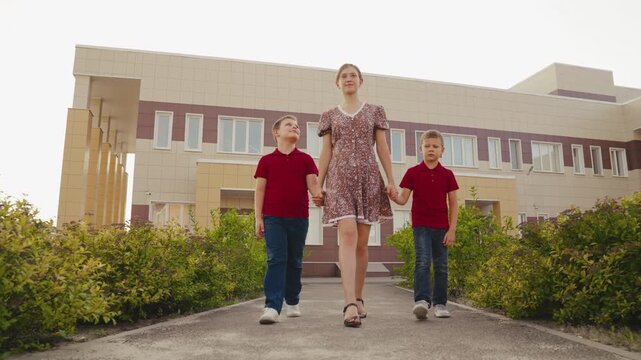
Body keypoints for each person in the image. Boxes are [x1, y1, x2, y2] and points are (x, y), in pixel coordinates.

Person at [316, 63, 397, 327]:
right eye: (344, 76)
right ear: (337, 82)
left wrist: (391, 180)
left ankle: (359, 297)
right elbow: (326, 151)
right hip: (339, 180)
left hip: (368, 178)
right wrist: (318, 184)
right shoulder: (329, 115)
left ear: (360, 81)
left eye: (353, 75)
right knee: (347, 235)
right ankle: (349, 303)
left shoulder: (375, 111)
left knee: (362, 243)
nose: (348, 79)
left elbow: (383, 148)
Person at [254, 115, 322, 324]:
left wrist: (320, 195)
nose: (295, 127)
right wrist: (258, 218)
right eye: (289, 125)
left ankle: (292, 301)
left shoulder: (306, 159)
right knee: (276, 259)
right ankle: (272, 307)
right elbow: (260, 189)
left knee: (294, 261)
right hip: (273, 218)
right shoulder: (266, 161)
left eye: (297, 126)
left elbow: (313, 185)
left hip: (299, 218)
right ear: (277, 132)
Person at [390, 129, 459, 319]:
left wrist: (452, 229)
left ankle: (440, 304)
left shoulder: (447, 175)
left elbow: (453, 203)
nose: (431, 149)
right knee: (422, 262)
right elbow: (403, 199)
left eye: (435, 146)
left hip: (442, 228)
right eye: (427, 146)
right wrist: (392, 194)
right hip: (421, 227)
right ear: (421, 149)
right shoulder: (413, 172)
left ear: (442, 150)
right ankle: (421, 301)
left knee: (441, 266)